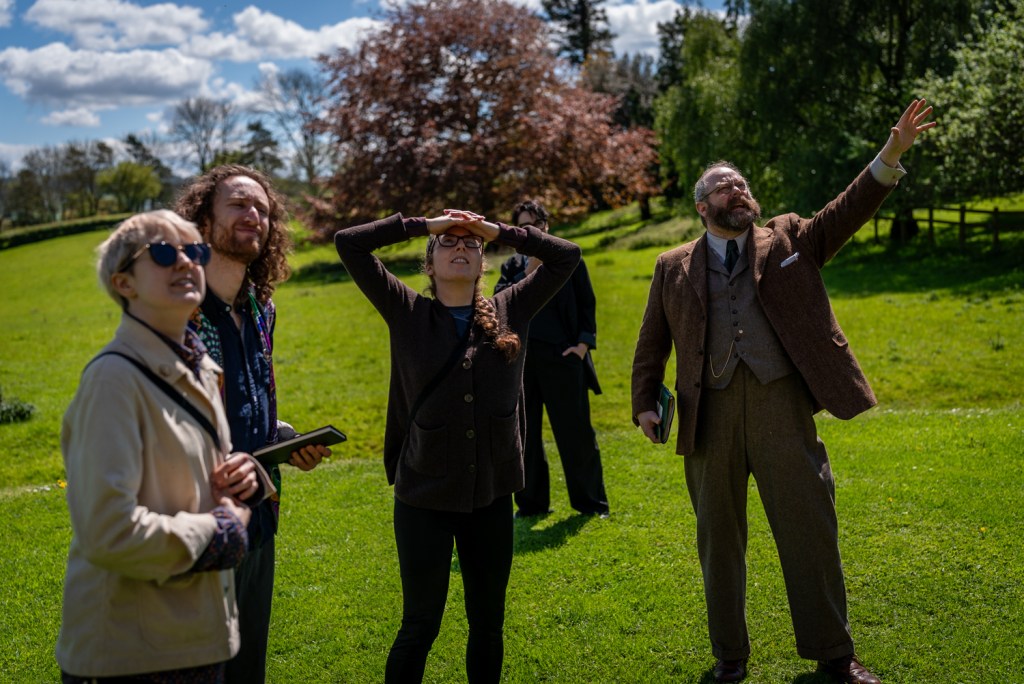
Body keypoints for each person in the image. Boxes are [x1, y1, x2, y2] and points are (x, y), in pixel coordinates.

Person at [630, 99, 936, 684]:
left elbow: (847, 210)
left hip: (782, 408)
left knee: (810, 528)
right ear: (703, 207)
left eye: (742, 183)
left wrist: (890, 156)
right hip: (707, 417)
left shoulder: (790, 237)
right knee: (719, 543)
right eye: (724, 186)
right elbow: (651, 342)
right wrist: (645, 399)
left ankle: (834, 656)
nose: (737, 189)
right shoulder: (672, 265)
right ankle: (729, 658)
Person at [334, 209, 581, 683]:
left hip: (491, 493)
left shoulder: (513, 307)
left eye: (471, 244)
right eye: (448, 243)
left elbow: (566, 256)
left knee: (488, 625)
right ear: (429, 263)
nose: (461, 247)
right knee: (419, 625)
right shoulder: (406, 310)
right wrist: (424, 224)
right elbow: (350, 242)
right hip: (423, 495)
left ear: (484, 259)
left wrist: (501, 232)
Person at [57, 210, 273, 682]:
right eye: (161, 252)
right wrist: (223, 533)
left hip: (193, 640)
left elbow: (190, 474)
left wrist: (244, 476)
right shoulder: (113, 380)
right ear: (124, 284)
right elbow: (109, 531)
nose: (185, 262)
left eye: (195, 251)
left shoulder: (198, 368)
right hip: (133, 657)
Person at [175, 165, 331, 684]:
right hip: (197, 525)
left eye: (262, 209)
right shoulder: (174, 313)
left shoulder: (262, 308)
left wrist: (282, 436)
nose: (254, 215)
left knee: (246, 672)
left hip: (260, 516)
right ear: (202, 219)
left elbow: (248, 396)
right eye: (239, 204)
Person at [494, 199, 609, 518]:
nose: (529, 233)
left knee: (576, 434)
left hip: (564, 357)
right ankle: (531, 505)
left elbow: (588, 305)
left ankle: (590, 503)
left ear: (546, 228)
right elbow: (500, 307)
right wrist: (527, 274)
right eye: (522, 228)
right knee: (524, 437)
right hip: (522, 363)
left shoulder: (568, 260)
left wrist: (583, 346)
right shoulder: (511, 268)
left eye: (535, 226)